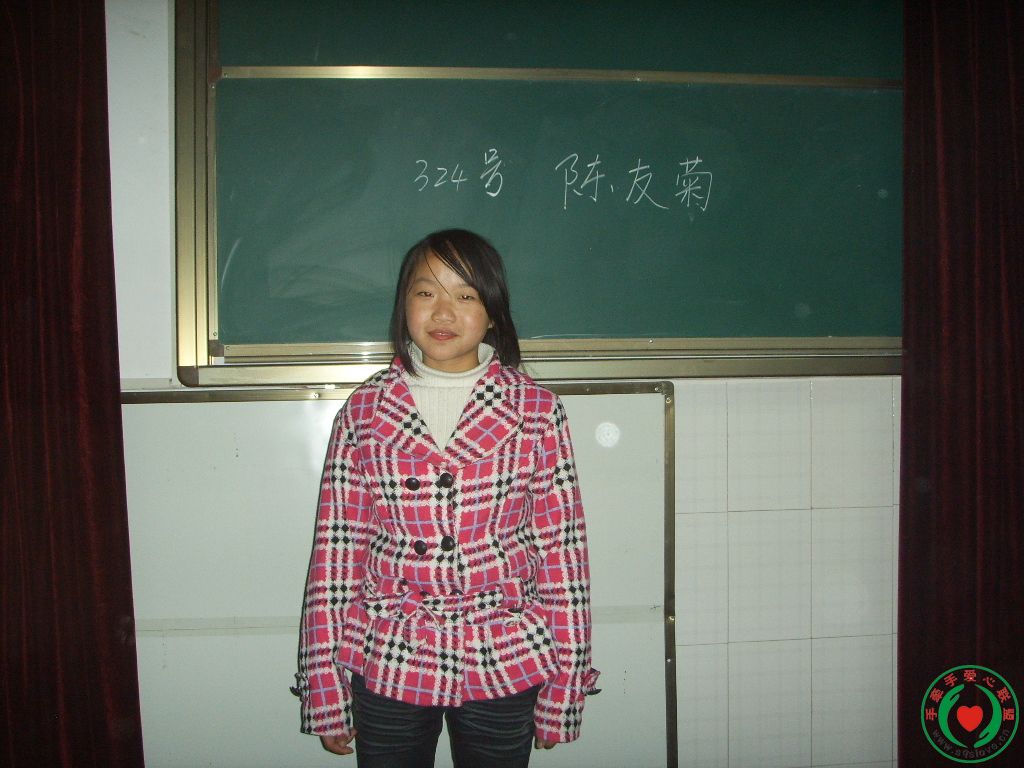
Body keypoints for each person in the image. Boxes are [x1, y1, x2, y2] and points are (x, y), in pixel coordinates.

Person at [293, 229, 599, 767]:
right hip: (389, 651)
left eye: (465, 295)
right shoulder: (364, 412)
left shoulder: (536, 411)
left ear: (492, 313)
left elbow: (562, 557)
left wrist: (564, 689)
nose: (443, 311)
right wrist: (325, 687)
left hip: (504, 652)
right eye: (425, 292)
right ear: (404, 304)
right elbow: (335, 558)